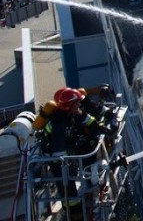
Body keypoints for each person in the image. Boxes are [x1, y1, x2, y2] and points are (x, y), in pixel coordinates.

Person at [35, 87, 107, 221]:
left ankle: (86, 197)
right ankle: (74, 215)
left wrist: (101, 127)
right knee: (67, 189)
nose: (79, 105)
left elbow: (89, 121)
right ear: (68, 106)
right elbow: (59, 152)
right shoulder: (58, 123)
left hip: (66, 152)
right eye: (76, 103)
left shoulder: (73, 114)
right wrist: (71, 164)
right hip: (57, 159)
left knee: (83, 157)